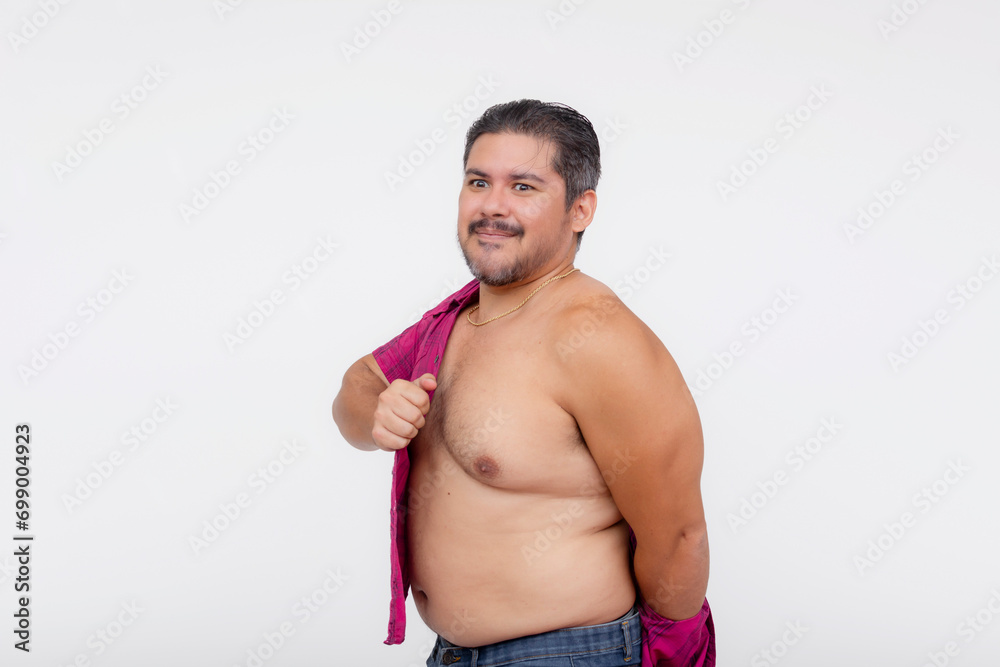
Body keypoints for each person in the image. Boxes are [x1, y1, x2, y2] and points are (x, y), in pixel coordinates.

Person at [332, 99, 715, 666]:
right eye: (479, 181)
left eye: (524, 187)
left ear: (580, 209)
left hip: (570, 652)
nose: (492, 206)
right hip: (452, 653)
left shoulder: (600, 340)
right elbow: (355, 386)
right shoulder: (458, 320)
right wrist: (376, 415)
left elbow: (679, 538)